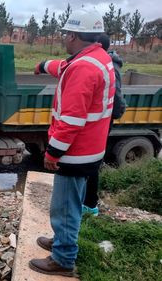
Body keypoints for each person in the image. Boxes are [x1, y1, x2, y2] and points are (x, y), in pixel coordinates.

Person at [31, 8, 115, 276]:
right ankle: (61, 241)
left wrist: (53, 153)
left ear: (75, 36)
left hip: (76, 152)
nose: (64, 37)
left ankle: (63, 259)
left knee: (64, 206)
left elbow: (71, 121)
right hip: (90, 148)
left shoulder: (83, 69)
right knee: (70, 203)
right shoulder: (96, 57)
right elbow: (66, 66)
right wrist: (44, 65)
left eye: (67, 33)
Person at [82, 33, 127, 215]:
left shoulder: (106, 65)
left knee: (91, 163)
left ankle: (90, 205)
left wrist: (107, 117)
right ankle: (87, 201)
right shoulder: (103, 62)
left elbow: (115, 97)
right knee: (88, 163)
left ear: (97, 45)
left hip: (101, 121)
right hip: (100, 119)